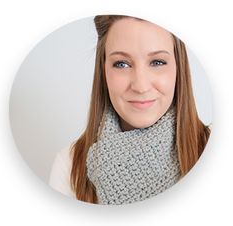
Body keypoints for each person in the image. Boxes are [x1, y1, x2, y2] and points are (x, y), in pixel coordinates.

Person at [49, 15, 211, 205]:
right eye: (122, 64)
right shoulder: (68, 166)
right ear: (104, 71)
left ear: (179, 68)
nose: (140, 86)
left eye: (157, 62)